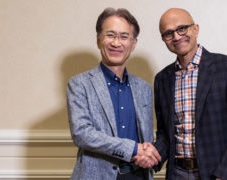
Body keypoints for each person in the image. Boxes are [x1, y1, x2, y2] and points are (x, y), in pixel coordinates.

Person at [153, 8, 227, 180]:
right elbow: (165, 133)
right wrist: (150, 158)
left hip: (218, 174)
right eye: (168, 33)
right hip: (176, 173)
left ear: (196, 29)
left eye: (182, 28)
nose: (177, 37)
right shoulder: (162, 79)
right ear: (164, 39)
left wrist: (223, 175)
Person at [67, 7, 161, 180]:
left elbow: (146, 136)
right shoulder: (79, 84)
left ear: (133, 44)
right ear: (98, 39)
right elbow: (82, 134)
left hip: (138, 175)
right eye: (110, 35)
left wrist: (146, 155)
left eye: (124, 37)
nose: (116, 43)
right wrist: (133, 149)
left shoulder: (144, 88)